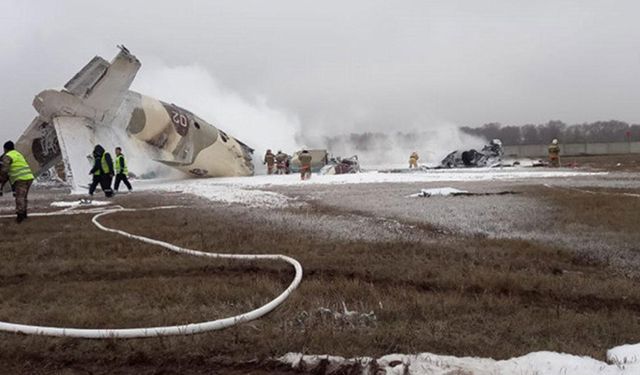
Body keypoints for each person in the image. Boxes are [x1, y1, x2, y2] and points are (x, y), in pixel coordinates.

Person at [0, 141, 34, 223]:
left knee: (20, 197)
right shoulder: (17, 154)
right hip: (29, 177)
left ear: (5, 149)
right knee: (24, 196)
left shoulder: (8, 156)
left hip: (20, 178)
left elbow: (4, 170)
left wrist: (1, 178)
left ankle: (20, 216)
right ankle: (24, 213)